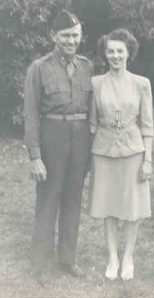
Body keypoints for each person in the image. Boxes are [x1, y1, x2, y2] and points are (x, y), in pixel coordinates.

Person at [24, 9, 92, 281]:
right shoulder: (39, 68)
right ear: (53, 36)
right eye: (65, 36)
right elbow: (31, 114)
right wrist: (35, 156)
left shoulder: (87, 66)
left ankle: (67, 259)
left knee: (73, 200)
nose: (71, 41)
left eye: (75, 35)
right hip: (52, 136)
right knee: (48, 200)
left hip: (80, 139)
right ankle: (40, 264)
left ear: (81, 36)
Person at [89, 29, 154, 281]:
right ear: (105, 55)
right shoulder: (96, 83)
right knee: (108, 205)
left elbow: (147, 125)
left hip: (133, 151)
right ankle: (112, 257)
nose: (115, 55)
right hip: (103, 151)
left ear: (129, 53)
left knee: (132, 206)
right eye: (110, 51)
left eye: (120, 51)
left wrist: (148, 159)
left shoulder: (141, 84)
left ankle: (128, 257)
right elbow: (92, 123)